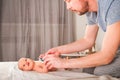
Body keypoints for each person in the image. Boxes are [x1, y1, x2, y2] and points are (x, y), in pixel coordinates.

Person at [40, 0, 120, 78]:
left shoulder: (113, 4)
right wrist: (58, 50)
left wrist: (64, 63)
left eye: (69, 1)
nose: (68, 7)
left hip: (114, 52)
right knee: (88, 69)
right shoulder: (91, 12)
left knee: (100, 71)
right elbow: (88, 40)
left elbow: (106, 56)